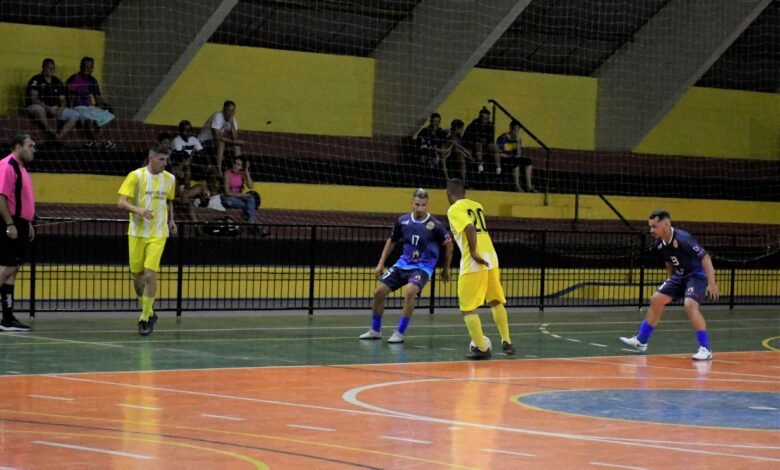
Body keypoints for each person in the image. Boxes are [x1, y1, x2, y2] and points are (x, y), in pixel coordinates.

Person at [620, 210, 720, 360]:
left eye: (654, 226)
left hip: (696, 276)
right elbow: (669, 261)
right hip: (679, 276)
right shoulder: (660, 243)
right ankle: (641, 341)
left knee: (690, 304)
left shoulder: (683, 239)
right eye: (650, 226)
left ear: (666, 225)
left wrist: (712, 284)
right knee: (656, 299)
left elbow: (705, 258)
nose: (651, 230)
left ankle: (705, 349)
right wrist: (671, 281)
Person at [360, 189, 452, 343]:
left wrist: (446, 268)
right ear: (411, 203)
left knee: (410, 291)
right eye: (417, 205)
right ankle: (375, 330)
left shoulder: (435, 225)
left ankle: (400, 332)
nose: (420, 208)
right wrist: (381, 263)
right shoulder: (402, 221)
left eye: (423, 205)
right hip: (403, 264)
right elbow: (392, 241)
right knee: (379, 292)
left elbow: (449, 245)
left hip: (422, 267)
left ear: (427, 204)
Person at [446, 178, 514, 359]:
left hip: (474, 261)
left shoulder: (454, 209)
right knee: (495, 300)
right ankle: (506, 340)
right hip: (491, 257)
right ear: (464, 192)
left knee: (467, 308)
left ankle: (482, 348)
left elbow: (469, 228)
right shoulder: (477, 205)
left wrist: (473, 252)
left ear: (448, 194)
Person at [117, 143, 177, 336]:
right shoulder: (136, 176)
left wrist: (171, 220)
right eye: (161, 159)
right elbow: (121, 202)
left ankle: (144, 319)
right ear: (151, 158)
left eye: (166, 160)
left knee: (150, 275)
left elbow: (169, 201)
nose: (164, 163)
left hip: (158, 234)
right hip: (137, 232)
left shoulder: (170, 179)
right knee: (138, 278)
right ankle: (150, 311)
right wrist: (138, 210)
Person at [0, 134, 36, 332]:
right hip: (11, 223)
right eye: (30, 146)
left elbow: (21, 199)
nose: (33, 149)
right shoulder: (8, 166)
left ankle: (7, 318)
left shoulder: (21, 168)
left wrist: (27, 222)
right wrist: (10, 223)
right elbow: (1, 197)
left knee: (12, 270)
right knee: (6, 268)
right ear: (17, 146)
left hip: (20, 223)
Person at [66, 56, 116, 149]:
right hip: (78, 107)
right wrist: (70, 109)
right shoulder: (74, 78)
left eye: (90, 67)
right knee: (89, 121)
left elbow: (97, 97)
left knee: (110, 117)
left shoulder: (92, 80)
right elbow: (70, 96)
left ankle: (95, 141)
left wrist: (102, 109)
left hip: (90, 107)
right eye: (86, 67)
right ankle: (103, 142)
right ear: (81, 67)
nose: (88, 69)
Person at [25, 58, 80, 142]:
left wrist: (61, 108)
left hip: (54, 108)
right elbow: (34, 99)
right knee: (37, 110)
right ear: (43, 68)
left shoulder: (57, 81)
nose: (51, 70)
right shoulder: (36, 79)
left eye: (52, 68)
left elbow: (63, 100)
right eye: (48, 67)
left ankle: (59, 136)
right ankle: (52, 132)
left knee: (75, 114)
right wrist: (48, 108)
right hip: (40, 106)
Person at [198, 100, 244, 172]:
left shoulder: (232, 119)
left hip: (215, 142)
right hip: (203, 141)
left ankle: (239, 170)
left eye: (232, 111)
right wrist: (234, 142)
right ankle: (219, 169)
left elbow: (235, 138)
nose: (230, 113)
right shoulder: (218, 116)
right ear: (224, 110)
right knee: (221, 143)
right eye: (228, 110)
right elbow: (217, 137)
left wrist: (232, 124)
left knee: (236, 146)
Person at [496, 120, 536, 192]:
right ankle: (517, 186)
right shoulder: (503, 138)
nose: (516, 132)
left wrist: (518, 143)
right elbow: (498, 153)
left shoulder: (517, 140)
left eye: (518, 130)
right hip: (505, 159)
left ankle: (529, 186)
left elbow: (519, 155)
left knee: (528, 161)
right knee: (515, 162)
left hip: (513, 158)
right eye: (515, 130)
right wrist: (509, 156)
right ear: (511, 129)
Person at [222, 156, 259, 225]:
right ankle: (252, 219)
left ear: (242, 167)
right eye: (234, 163)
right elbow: (227, 193)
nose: (235, 166)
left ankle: (251, 220)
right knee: (248, 206)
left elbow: (251, 186)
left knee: (251, 197)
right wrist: (243, 195)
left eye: (238, 165)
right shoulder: (227, 173)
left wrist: (247, 171)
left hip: (238, 198)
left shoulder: (242, 174)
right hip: (227, 198)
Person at [463, 107, 497, 174]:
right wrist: (480, 139)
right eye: (485, 119)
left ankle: (498, 169)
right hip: (473, 145)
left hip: (486, 145)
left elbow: (491, 139)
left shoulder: (490, 125)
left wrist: (486, 141)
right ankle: (480, 167)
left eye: (488, 118)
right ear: (480, 118)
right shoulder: (474, 124)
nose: (487, 120)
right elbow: (469, 137)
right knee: (479, 145)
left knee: (494, 147)